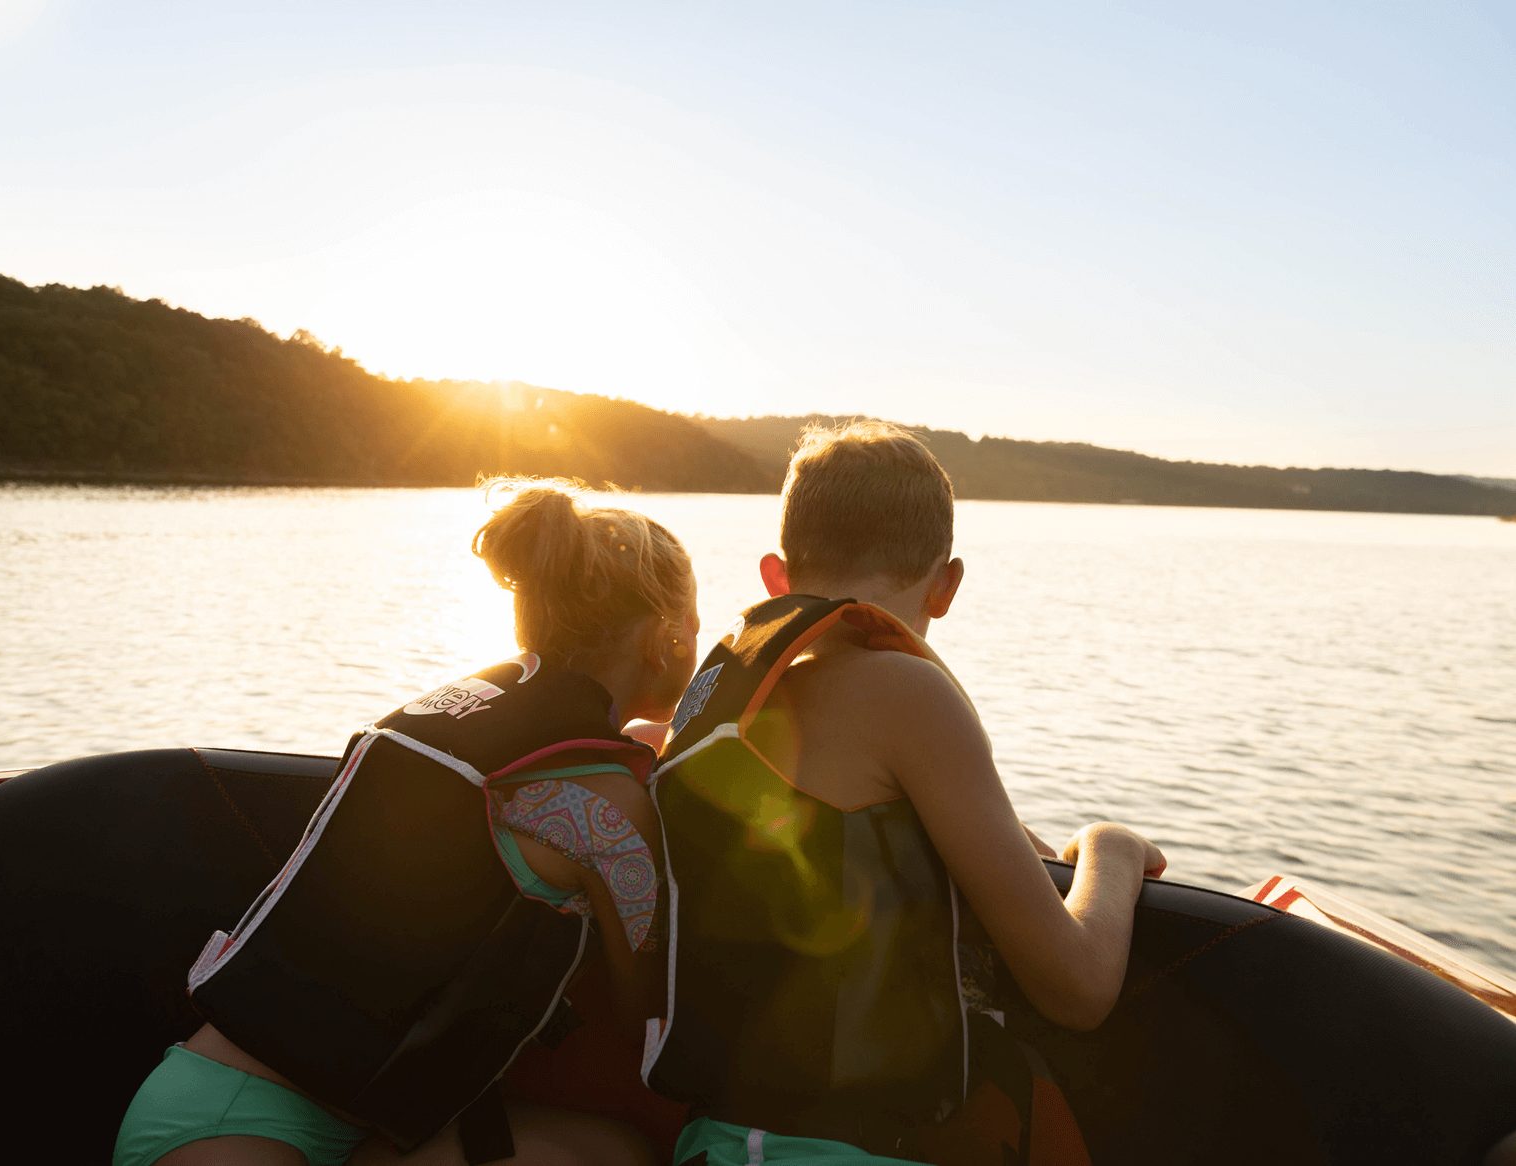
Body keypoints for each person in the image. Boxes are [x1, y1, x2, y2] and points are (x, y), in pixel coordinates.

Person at [115, 482, 699, 1166]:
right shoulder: (606, 804)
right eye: (692, 627)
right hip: (235, 1128)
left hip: (314, 1119)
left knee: (614, 1154)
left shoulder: (456, 721)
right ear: (665, 640)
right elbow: (650, 1017)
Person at [644, 421, 1164, 1166]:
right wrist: (1111, 848)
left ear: (776, 577)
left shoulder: (722, 699)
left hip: (715, 1142)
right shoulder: (907, 692)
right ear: (946, 585)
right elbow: (1076, 989)